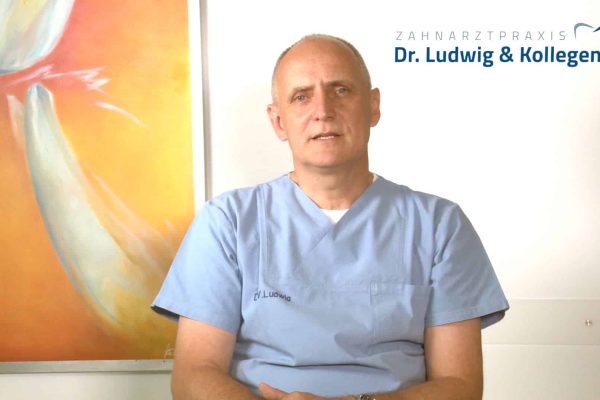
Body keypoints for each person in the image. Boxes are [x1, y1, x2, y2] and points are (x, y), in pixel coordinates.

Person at [152, 34, 509, 400]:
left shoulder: (439, 226)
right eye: (301, 96)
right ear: (278, 121)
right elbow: (194, 376)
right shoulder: (227, 223)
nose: (323, 110)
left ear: (373, 106)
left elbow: (460, 386)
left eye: (341, 90)